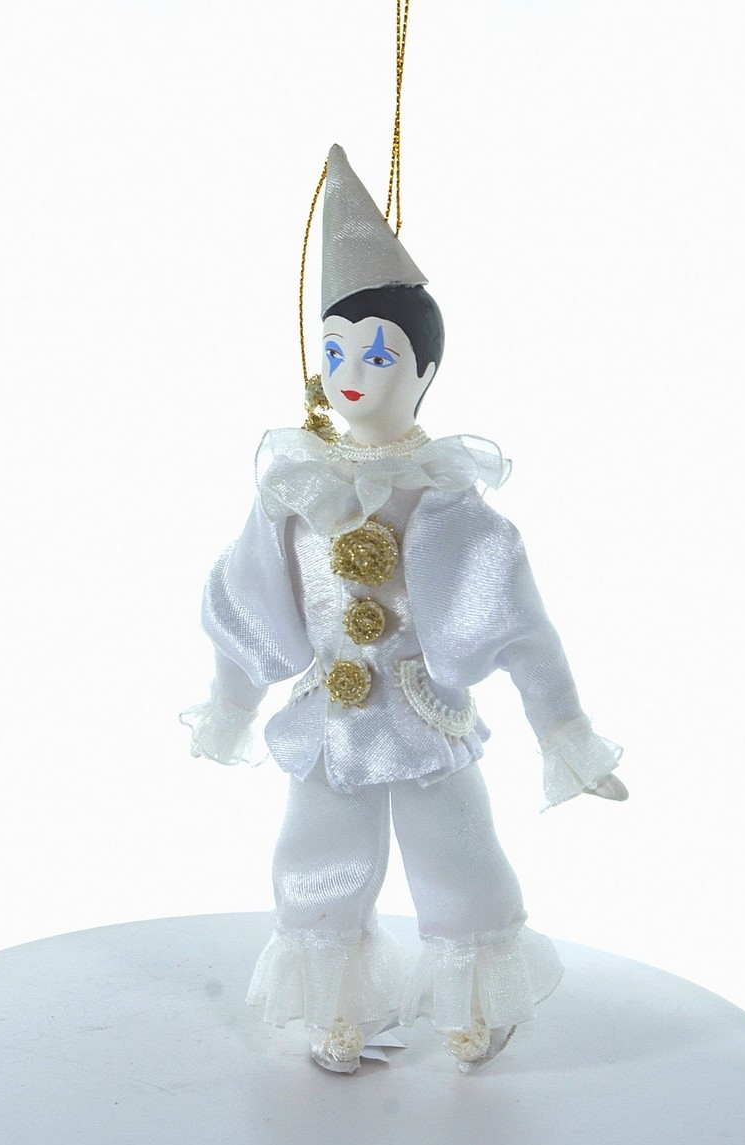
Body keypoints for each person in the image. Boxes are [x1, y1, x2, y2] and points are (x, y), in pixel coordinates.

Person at [182, 145, 626, 1074]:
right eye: (337, 352)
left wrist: (567, 733)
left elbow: (517, 623)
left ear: (422, 369)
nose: (353, 372)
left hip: (422, 715)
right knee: (318, 858)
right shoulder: (294, 488)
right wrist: (229, 703)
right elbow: (247, 601)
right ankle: (335, 1007)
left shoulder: (446, 498)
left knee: (457, 855)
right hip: (329, 717)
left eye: (379, 355)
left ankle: (474, 1002)